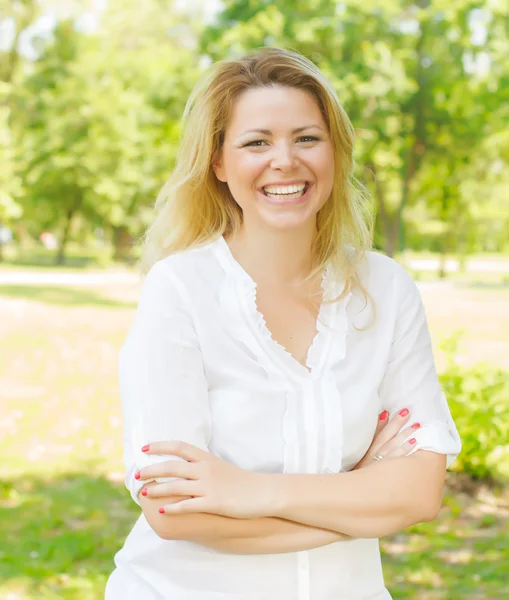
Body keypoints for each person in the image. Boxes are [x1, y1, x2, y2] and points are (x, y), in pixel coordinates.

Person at [105, 47, 461, 600]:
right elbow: (173, 512)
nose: (285, 161)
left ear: (335, 153)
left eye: (306, 138)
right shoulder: (179, 291)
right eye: (256, 142)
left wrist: (249, 491)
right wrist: (356, 496)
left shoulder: (387, 291)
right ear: (219, 163)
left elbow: (417, 494)